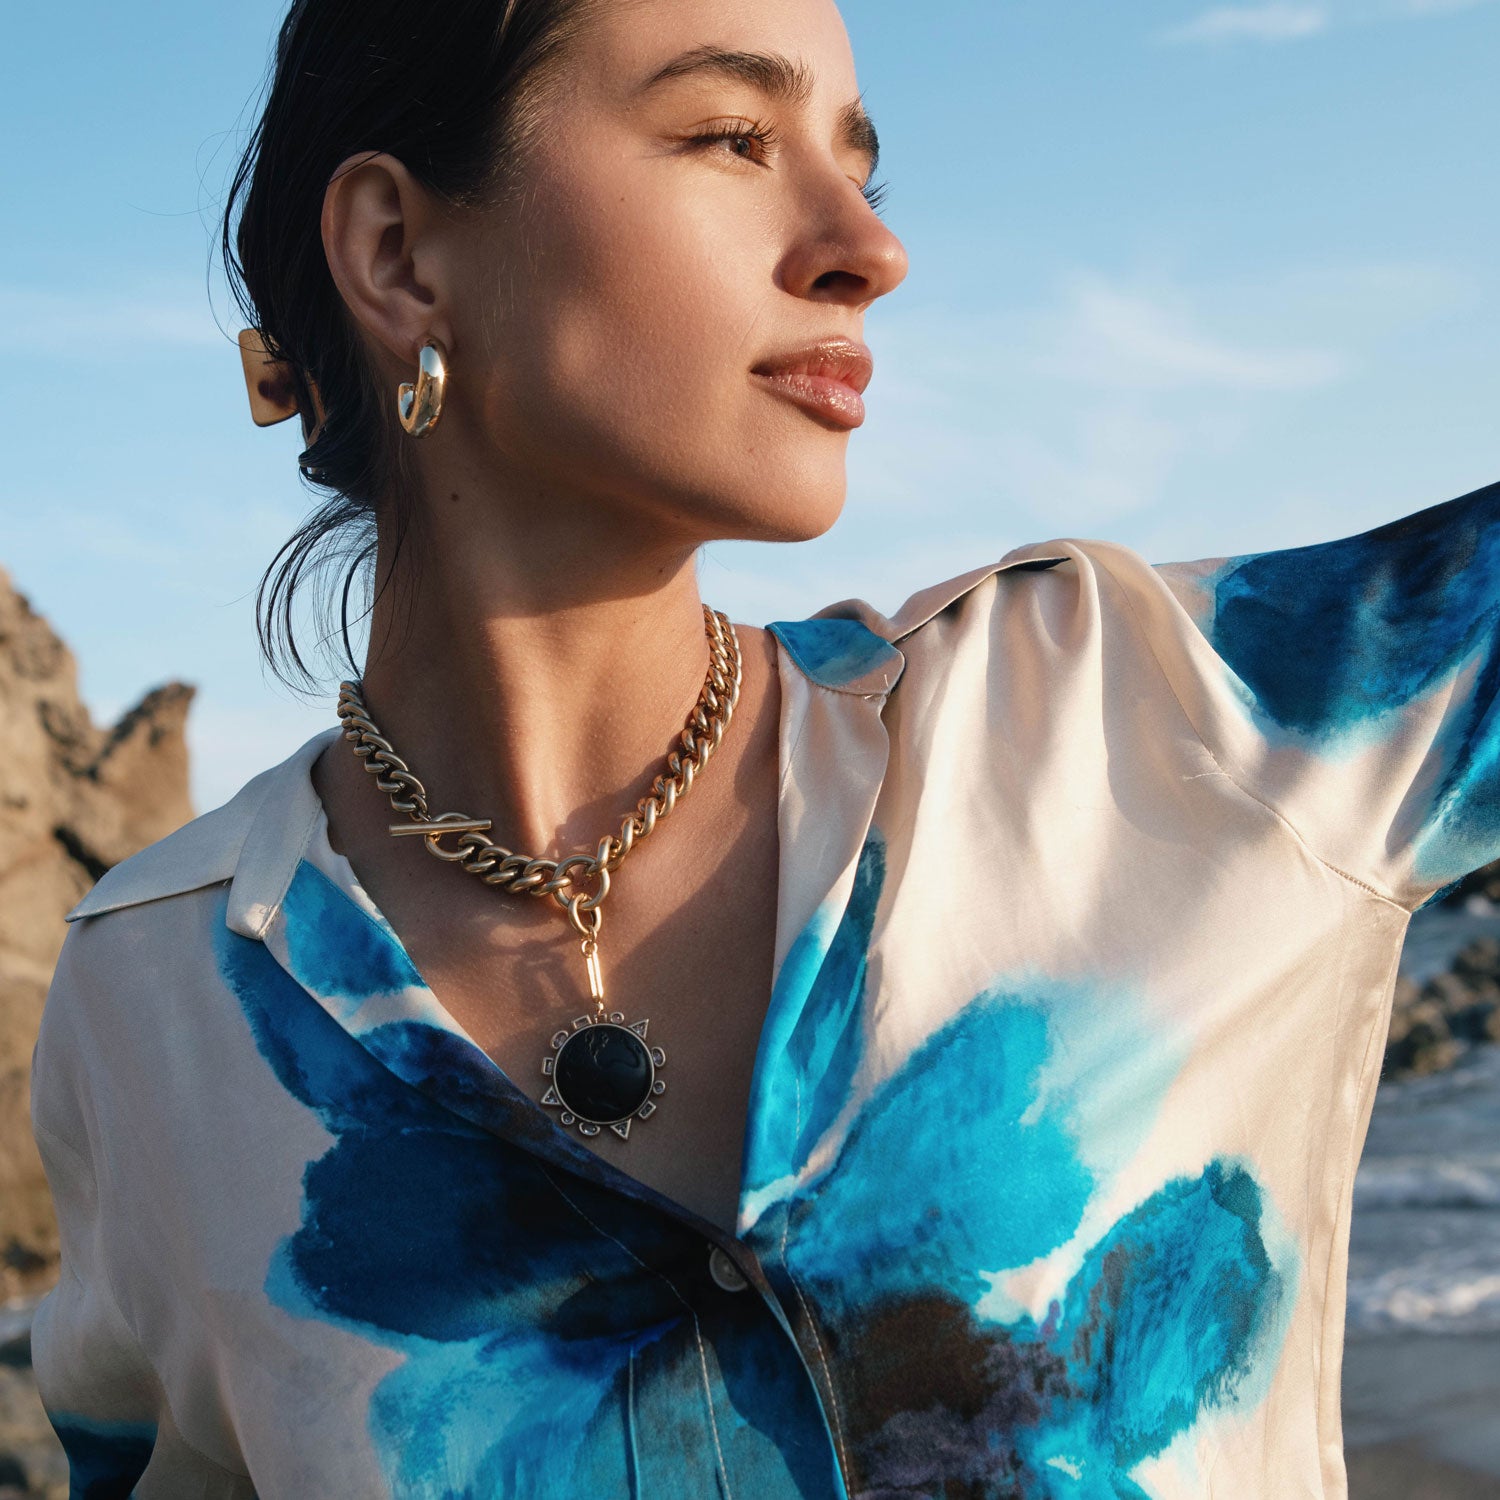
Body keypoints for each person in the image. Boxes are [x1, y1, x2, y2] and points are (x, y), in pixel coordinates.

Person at [26, 0, 1499, 1495]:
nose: (868, 247)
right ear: (402, 255)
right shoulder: (157, 992)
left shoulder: (1158, 724)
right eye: (734, 136)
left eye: (859, 163)